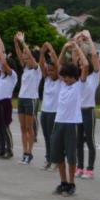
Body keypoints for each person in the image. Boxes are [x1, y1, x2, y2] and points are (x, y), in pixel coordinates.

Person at [50, 43, 89, 196]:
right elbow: (59, 65)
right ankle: (63, 182)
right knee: (58, 154)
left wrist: (76, 47)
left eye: (68, 77)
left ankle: (72, 183)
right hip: (59, 122)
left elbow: (85, 64)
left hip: (72, 124)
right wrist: (64, 48)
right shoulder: (62, 85)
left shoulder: (79, 85)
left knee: (71, 156)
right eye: (64, 76)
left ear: (75, 77)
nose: (65, 79)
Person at [75, 30, 100, 179]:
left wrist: (89, 39)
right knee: (78, 141)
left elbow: (95, 56)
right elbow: (75, 58)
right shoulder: (78, 78)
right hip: (78, 112)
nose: (80, 65)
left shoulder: (94, 76)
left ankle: (90, 169)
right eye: (79, 63)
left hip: (89, 111)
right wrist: (76, 42)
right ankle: (79, 167)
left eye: (82, 63)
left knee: (90, 140)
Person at [14, 31, 41, 165]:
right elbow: (20, 55)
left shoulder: (37, 69)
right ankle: (25, 153)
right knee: (23, 127)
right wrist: (16, 42)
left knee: (30, 128)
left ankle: (30, 152)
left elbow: (28, 55)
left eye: (27, 56)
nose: (24, 57)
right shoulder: (25, 69)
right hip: (22, 99)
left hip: (31, 99)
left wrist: (23, 42)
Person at [0, 32, 17, 159]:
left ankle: (9, 149)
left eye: (5, 65)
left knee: (5, 126)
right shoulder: (1, 75)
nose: (2, 66)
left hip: (5, 103)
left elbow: (3, 62)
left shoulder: (13, 76)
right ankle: (1, 149)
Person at [38, 42, 61, 170]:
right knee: (47, 137)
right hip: (45, 111)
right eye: (49, 70)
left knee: (54, 138)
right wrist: (42, 52)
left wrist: (52, 50)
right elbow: (42, 65)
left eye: (53, 70)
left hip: (54, 112)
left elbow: (58, 65)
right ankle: (49, 158)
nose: (50, 72)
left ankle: (56, 160)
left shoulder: (60, 81)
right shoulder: (46, 79)